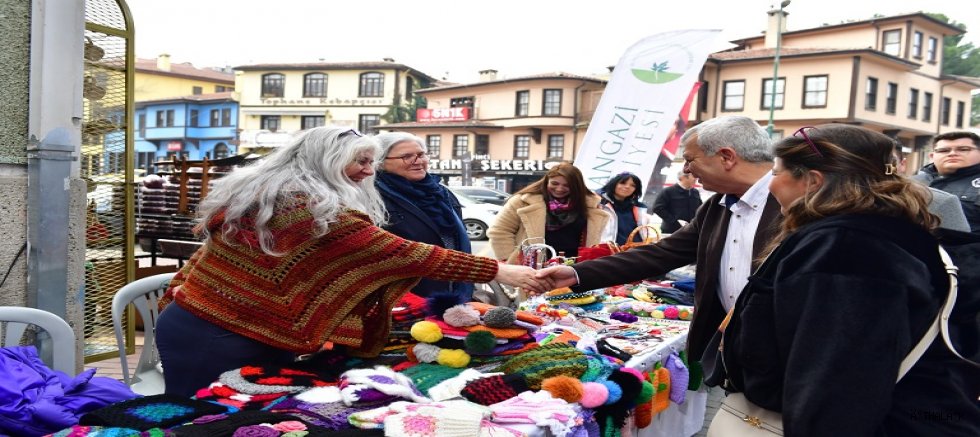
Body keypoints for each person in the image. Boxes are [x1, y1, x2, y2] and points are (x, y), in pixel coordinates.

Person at [155, 127, 545, 396]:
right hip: (216, 333)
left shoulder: (277, 193)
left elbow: (209, 257)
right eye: (359, 160)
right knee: (202, 419)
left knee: (240, 415)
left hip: (243, 326)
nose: (368, 171)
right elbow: (397, 251)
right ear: (325, 160)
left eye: (371, 161)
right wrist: (499, 270)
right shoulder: (298, 204)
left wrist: (179, 289)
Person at [714, 124, 979, 436]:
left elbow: (836, 388)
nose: (770, 184)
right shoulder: (874, 231)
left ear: (813, 181)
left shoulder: (844, 248)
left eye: (775, 172)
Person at [535, 115, 780, 363]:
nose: (685, 170)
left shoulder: (796, 207)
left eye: (689, 159)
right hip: (736, 353)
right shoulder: (716, 207)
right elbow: (660, 254)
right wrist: (576, 274)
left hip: (784, 356)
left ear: (726, 157)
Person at [374, 132, 474, 300]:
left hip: (454, 291)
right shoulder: (373, 197)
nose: (418, 161)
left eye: (421, 154)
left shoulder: (441, 193)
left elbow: (458, 241)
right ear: (380, 163)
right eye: (407, 156)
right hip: (404, 298)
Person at [488, 162, 610, 263]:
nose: (559, 189)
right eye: (554, 183)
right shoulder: (521, 202)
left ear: (576, 186)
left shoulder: (589, 205)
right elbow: (500, 232)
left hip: (575, 267)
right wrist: (510, 261)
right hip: (532, 266)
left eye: (567, 185)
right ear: (547, 181)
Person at [913, 131, 980, 233]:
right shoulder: (910, 182)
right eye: (943, 150)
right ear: (932, 156)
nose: (952, 153)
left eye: (963, 149)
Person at [598, 172, 652, 245]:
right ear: (613, 184)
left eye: (633, 185)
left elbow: (644, 233)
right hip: (609, 250)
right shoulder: (599, 204)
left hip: (636, 250)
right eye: (623, 183)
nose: (627, 187)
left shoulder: (639, 208)